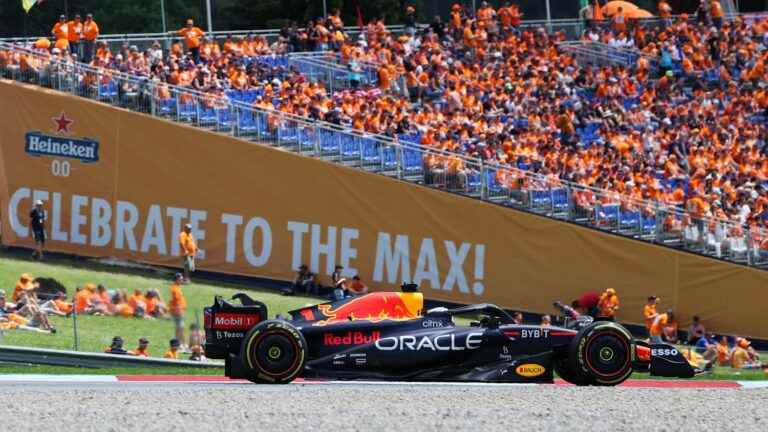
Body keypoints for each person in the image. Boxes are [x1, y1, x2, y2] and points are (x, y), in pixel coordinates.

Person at [169, 273, 187, 348]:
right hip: (177, 310)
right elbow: (175, 300)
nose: (182, 280)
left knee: (181, 327)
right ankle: (177, 343)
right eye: (180, 279)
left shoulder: (177, 287)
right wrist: (178, 309)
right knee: (179, 327)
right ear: (177, 279)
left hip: (179, 309)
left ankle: (182, 343)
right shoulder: (175, 288)